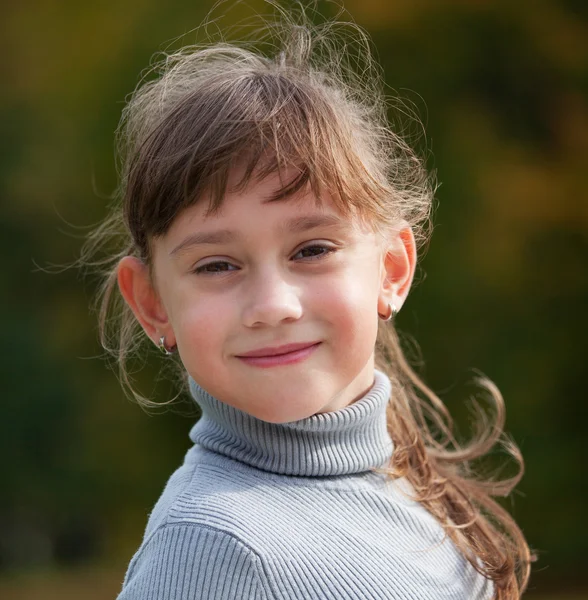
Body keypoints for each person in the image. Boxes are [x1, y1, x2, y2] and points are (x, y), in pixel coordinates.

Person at [85, 4, 534, 598]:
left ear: (392, 270)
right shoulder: (216, 551)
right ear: (153, 305)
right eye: (216, 265)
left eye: (312, 250)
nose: (273, 305)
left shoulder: (405, 489)